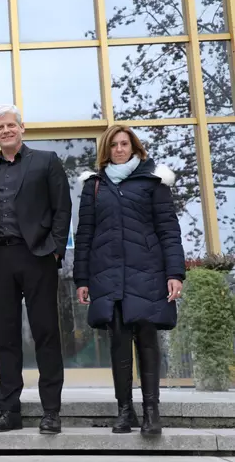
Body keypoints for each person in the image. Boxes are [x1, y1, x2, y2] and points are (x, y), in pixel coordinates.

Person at [74, 124, 184, 436]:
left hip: (147, 273)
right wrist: (82, 278)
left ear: (134, 148)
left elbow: (169, 231)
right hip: (109, 276)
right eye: (114, 145)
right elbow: (85, 235)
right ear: (106, 150)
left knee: (147, 340)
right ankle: (125, 410)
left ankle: (152, 411)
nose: (119, 149)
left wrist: (174, 273)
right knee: (119, 341)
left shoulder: (153, 182)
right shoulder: (94, 186)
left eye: (125, 144)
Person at [0, 105, 71, 435]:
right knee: (6, 339)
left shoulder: (46, 161)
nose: (5, 131)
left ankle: (51, 411)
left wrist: (56, 249)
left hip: (37, 257)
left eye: (10, 125)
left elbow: (62, 208)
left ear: (22, 128)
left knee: (45, 333)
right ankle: (9, 410)